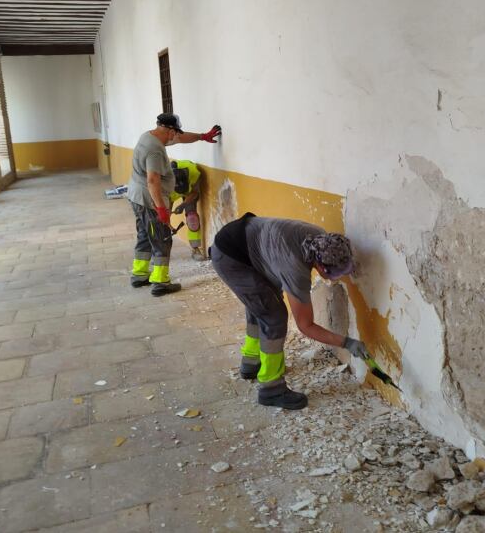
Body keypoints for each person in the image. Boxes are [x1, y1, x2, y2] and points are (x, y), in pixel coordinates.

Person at [210, 214, 369, 410]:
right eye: (331, 274)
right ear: (319, 265)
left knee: (260, 306)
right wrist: (347, 343)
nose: (333, 280)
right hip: (231, 257)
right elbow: (306, 325)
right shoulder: (295, 268)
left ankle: (251, 362)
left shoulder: (320, 240)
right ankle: (271, 388)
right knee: (274, 317)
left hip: (246, 241)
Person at [128, 113, 221, 296]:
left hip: (137, 197)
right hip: (149, 200)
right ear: (169, 129)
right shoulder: (154, 150)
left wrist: (202, 136)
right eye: (174, 132)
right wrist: (161, 209)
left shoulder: (150, 136)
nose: (175, 136)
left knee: (145, 235)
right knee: (162, 239)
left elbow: (180, 138)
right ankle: (160, 282)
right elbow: (153, 181)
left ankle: (139, 274)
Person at [169, 159, 206, 261]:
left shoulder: (193, 171)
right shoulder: (162, 178)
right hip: (168, 194)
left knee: (192, 218)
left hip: (190, 192)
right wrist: (168, 220)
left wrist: (183, 205)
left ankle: (195, 249)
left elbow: (194, 192)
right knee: (162, 219)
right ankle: (159, 251)